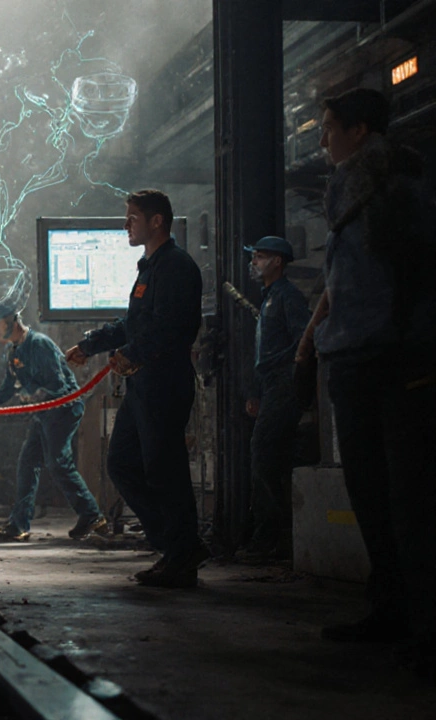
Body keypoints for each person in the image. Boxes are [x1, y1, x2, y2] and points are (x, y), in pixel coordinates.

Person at [295, 88, 436, 665]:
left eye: (329, 126)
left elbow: (414, 271)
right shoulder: (349, 190)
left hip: (394, 359)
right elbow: (340, 282)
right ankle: (391, 610)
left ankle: (423, 626)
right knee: (373, 496)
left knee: (410, 498)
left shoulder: (396, 185)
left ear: (360, 130)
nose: (322, 137)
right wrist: (313, 344)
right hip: (355, 357)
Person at [64, 189, 206, 589]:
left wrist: (132, 352)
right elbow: (135, 323)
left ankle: (181, 553)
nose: (125, 225)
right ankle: (178, 546)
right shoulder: (150, 267)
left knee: (165, 471)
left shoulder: (176, 267)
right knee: (123, 463)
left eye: (131, 218)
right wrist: (91, 344)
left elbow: (169, 327)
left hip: (163, 382)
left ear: (157, 221)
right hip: (142, 383)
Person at [0, 308, 106, 543]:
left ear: (11, 321)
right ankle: (19, 525)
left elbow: (58, 387)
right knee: (28, 463)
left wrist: (36, 396)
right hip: (43, 413)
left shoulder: (39, 345)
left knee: (58, 462)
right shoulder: (13, 351)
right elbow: (8, 386)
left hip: (63, 410)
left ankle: (90, 514)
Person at [240, 236, 311, 560]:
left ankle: (268, 539)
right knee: (272, 456)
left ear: (277, 262)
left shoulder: (288, 297)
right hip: (271, 385)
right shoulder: (269, 298)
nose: (254, 263)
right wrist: (256, 390)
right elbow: (262, 352)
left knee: (264, 451)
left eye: (260, 257)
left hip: (283, 383)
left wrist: (281, 373)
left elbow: (303, 341)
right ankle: (279, 536)